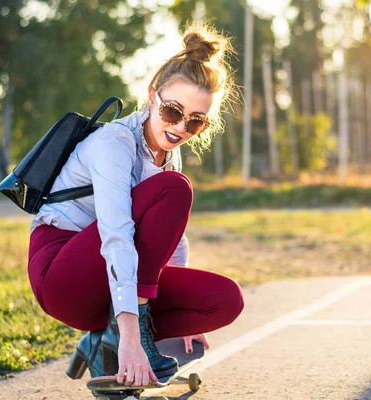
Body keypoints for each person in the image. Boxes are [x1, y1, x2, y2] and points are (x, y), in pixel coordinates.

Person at [27, 24, 244, 388]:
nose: (180, 128)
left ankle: (105, 339)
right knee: (174, 189)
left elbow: (169, 240)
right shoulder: (115, 143)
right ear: (151, 96)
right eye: (173, 111)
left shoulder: (166, 156)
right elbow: (116, 236)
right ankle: (125, 336)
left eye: (195, 121)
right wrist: (133, 335)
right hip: (62, 273)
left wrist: (189, 319)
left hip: (106, 280)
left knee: (224, 300)